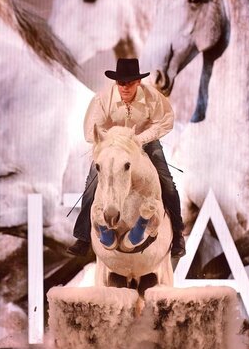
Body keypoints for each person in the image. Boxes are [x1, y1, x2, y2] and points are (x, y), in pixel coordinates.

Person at [67, 58, 186, 258]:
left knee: (168, 182)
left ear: (138, 82)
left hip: (144, 142)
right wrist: (113, 140)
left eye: (129, 83)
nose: (124, 87)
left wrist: (141, 139)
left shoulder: (152, 97)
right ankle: (83, 237)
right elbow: (91, 131)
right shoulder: (102, 99)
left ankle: (178, 235)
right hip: (112, 146)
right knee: (91, 183)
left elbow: (165, 121)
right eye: (120, 83)